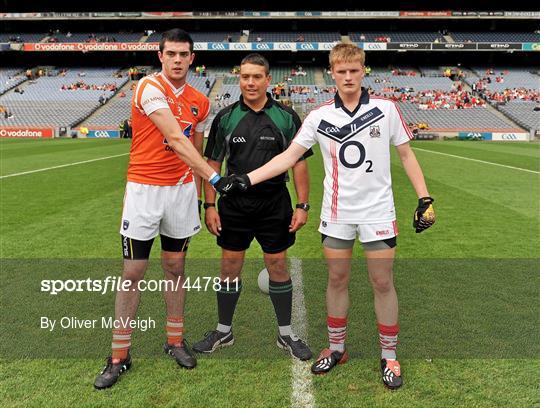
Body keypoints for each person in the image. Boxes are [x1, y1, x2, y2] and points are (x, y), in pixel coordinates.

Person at [228, 43, 436, 389]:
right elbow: (289, 157)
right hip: (337, 213)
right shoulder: (319, 116)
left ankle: (390, 355)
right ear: (332, 73)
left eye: (354, 71)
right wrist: (247, 179)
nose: (349, 77)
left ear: (363, 70)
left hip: (378, 212)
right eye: (342, 71)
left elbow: (407, 156)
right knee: (337, 280)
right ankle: (337, 348)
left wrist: (424, 198)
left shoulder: (386, 110)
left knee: (382, 282)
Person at [94, 28, 240, 390]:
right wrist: (217, 180)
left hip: (179, 193)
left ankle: (175, 341)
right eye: (171, 53)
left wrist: (206, 198)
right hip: (144, 191)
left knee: (175, 267)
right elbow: (175, 139)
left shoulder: (199, 102)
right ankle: (118, 355)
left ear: (193, 58)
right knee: (134, 271)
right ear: (160, 56)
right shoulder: (148, 87)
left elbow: (196, 150)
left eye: (183, 54)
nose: (177, 60)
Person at [192, 53, 313, 361]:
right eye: (245, 76)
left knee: (277, 266)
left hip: (275, 203)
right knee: (229, 267)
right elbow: (212, 164)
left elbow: (299, 164)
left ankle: (285, 334)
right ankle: (223, 330)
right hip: (234, 205)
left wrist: (302, 205)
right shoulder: (226, 117)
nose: (250, 82)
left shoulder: (287, 117)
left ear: (267, 80)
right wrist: (209, 204)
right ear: (239, 78)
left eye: (256, 76)